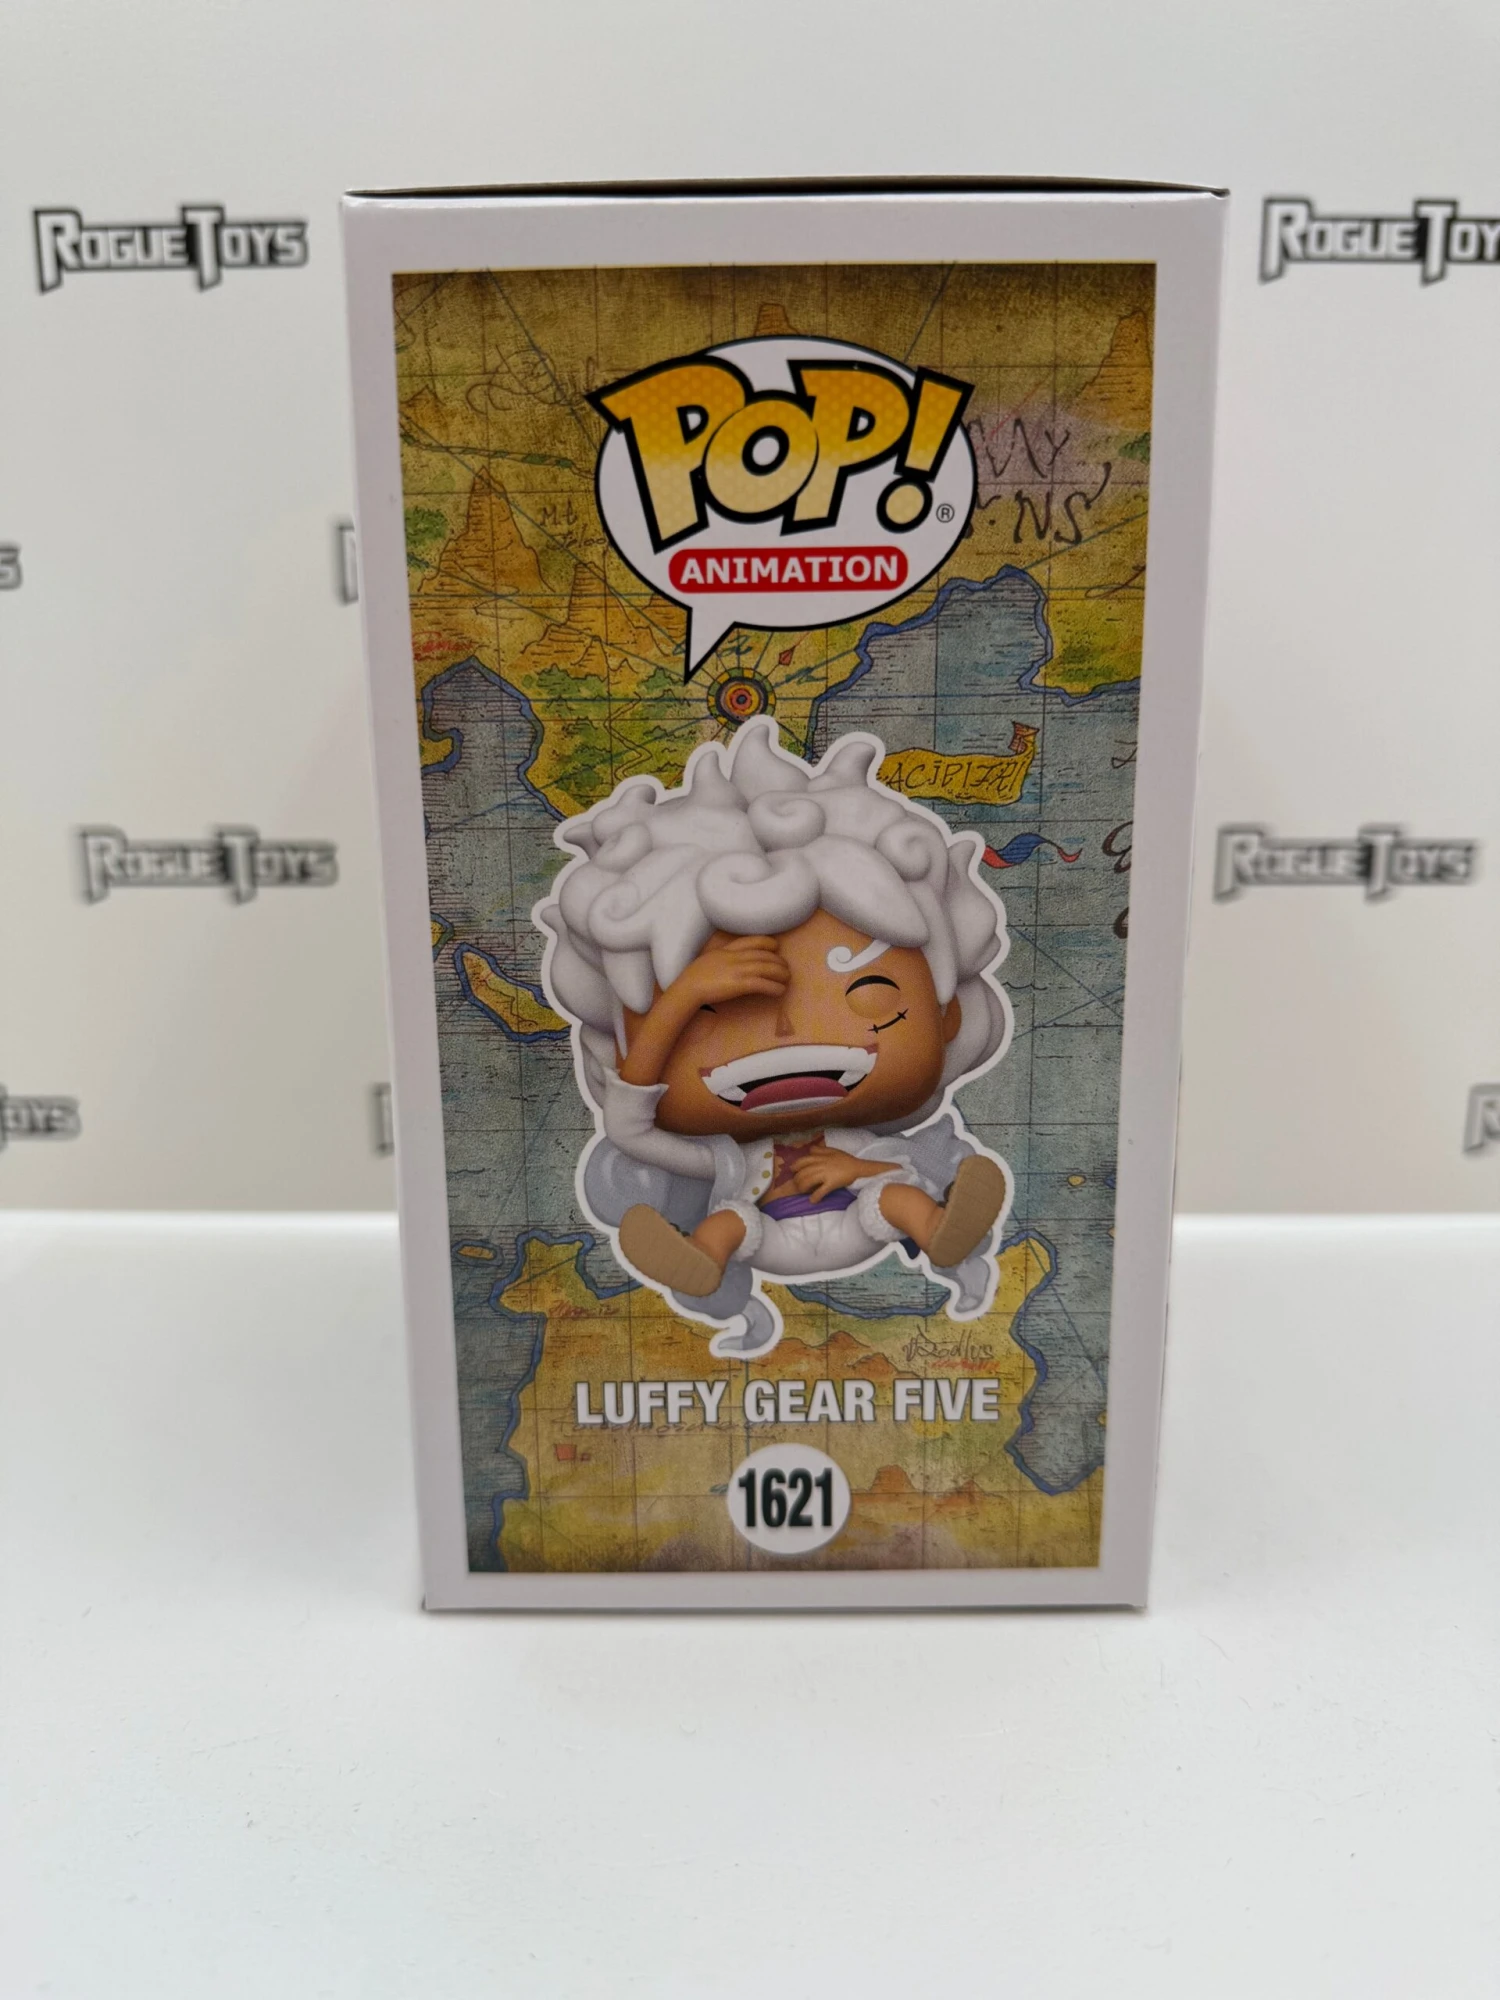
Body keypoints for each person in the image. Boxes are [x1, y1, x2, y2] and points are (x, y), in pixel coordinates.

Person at [536, 719, 1012, 1358]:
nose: (786, 1031)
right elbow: (630, 1129)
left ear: (946, 1017)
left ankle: (942, 1234)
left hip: (862, 1219)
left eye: (866, 988)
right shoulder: (730, 1164)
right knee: (731, 1221)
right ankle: (703, 1262)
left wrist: (854, 1168)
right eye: (714, 1019)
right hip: (768, 1237)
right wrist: (682, 999)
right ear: (619, 1039)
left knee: (897, 1195)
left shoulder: (856, 1141)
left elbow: (878, 1173)